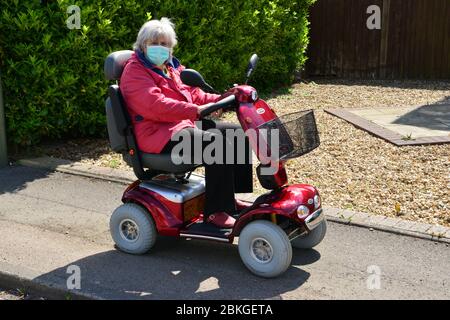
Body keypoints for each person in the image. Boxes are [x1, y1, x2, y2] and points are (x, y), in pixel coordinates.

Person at [120, 18, 252, 228]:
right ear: (143, 45)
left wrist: (221, 100)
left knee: (236, 135)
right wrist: (195, 111)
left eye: (165, 44)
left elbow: (193, 93)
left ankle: (229, 200)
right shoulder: (135, 71)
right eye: (155, 43)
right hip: (156, 135)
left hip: (179, 126)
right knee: (216, 145)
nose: (160, 48)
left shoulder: (171, 68)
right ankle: (215, 212)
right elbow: (155, 105)